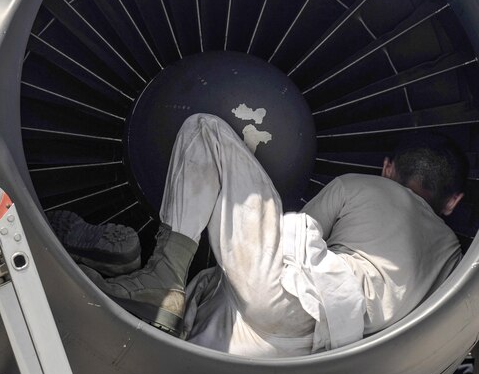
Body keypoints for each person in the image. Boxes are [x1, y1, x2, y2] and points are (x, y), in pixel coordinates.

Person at [82, 113, 465, 357]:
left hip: (295, 301)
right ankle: (163, 301)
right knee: (186, 341)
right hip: (316, 349)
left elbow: (290, 245)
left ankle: (160, 274)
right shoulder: (453, 256)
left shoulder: (363, 186)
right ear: (453, 202)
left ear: (387, 168)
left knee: (205, 129)